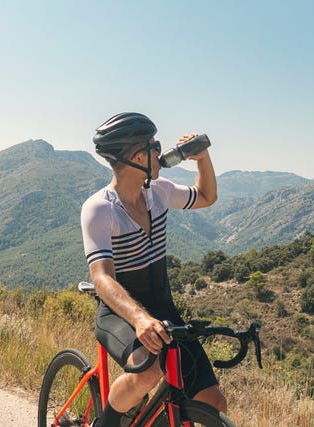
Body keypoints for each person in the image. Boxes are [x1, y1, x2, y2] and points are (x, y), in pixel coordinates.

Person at [80, 112, 223, 426]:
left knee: (214, 402)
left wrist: (202, 159)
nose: (161, 152)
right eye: (154, 146)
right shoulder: (99, 209)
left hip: (164, 313)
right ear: (137, 156)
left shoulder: (158, 192)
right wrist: (140, 318)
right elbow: (101, 277)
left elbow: (207, 196)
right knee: (148, 372)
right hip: (121, 315)